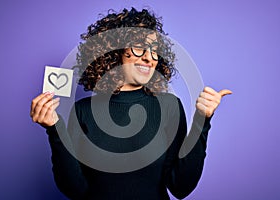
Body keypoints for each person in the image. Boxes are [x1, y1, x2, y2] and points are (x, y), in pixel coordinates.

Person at [30, 7, 232, 200]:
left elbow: (180, 187)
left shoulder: (169, 106)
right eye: (139, 47)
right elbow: (76, 190)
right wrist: (55, 130)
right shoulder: (82, 111)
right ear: (113, 52)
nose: (148, 57)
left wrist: (201, 121)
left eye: (154, 51)